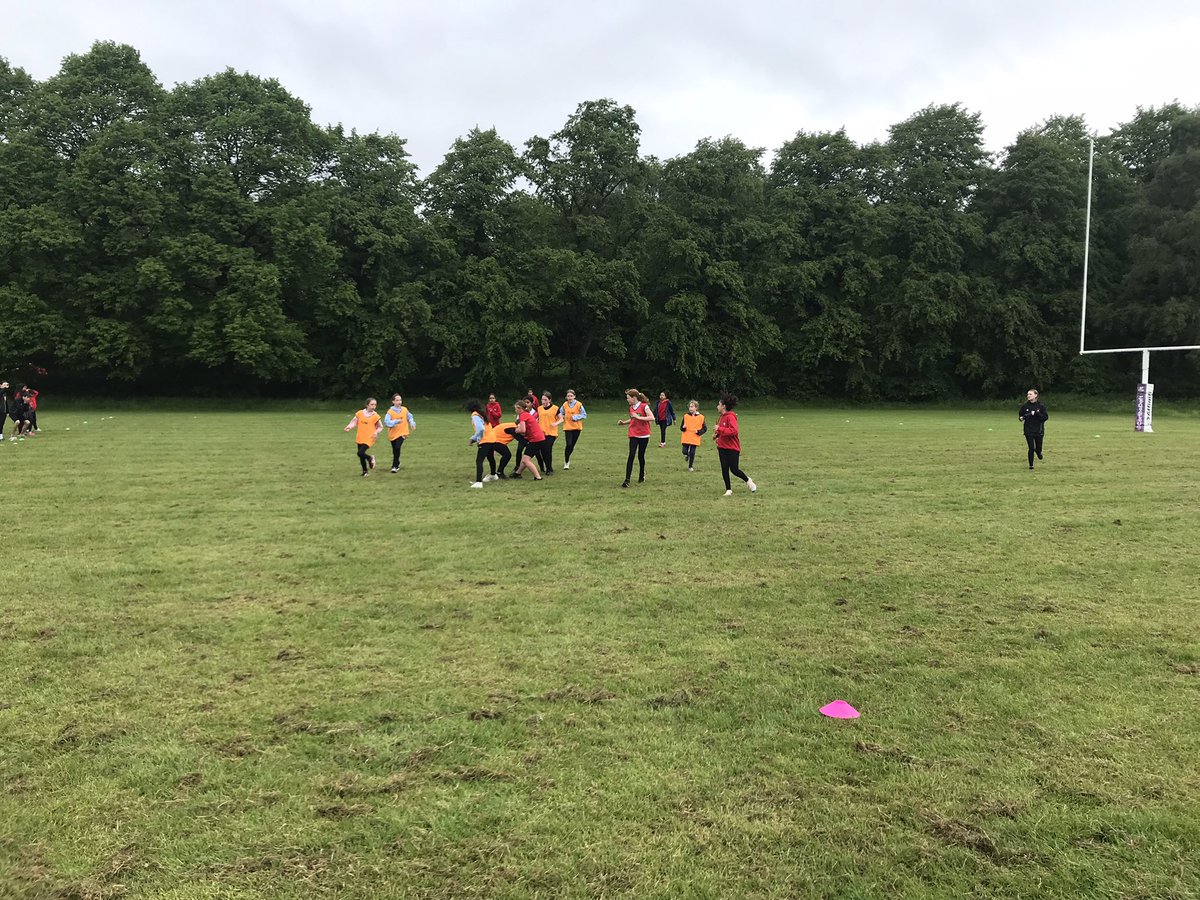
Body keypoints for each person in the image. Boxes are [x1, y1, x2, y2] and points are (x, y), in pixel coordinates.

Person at [713, 392, 756, 496]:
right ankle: (728, 490)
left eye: (719, 404)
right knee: (724, 468)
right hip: (722, 447)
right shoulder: (721, 417)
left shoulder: (731, 417)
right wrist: (716, 435)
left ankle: (748, 480)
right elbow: (722, 431)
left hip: (732, 447)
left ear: (723, 406)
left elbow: (734, 431)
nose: (717, 406)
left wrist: (719, 429)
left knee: (734, 470)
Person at [617, 388, 654, 488]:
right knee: (631, 455)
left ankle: (641, 475)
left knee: (641, 456)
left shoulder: (644, 406)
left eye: (628, 398)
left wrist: (639, 417)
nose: (627, 400)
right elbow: (633, 419)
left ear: (634, 398)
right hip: (633, 434)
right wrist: (624, 423)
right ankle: (627, 480)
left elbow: (652, 418)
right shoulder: (631, 408)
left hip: (644, 434)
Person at [343, 398, 382, 476]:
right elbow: (354, 422)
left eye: (375, 405)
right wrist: (349, 427)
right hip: (360, 437)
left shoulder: (375, 416)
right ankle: (365, 472)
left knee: (360, 453)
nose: (374, 406)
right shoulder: (360, 413)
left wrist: (376, 432)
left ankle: (370, 458)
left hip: (369, 438)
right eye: (372, 404)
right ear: (367, 405)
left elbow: (380, 427)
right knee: (361, 455)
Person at [466, 400, 497, 488]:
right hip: (492, 439)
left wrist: (476, 439)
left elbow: (481, 429)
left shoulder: (475, 415)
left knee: (479, 460)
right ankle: (493, 475)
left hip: (485, 440)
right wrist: (474, 439)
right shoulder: (482, 414)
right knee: (491, 458)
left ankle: (479, 482)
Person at [512, 399, 544, 481]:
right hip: (539, 438)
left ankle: (538, 477)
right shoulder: (527, 414)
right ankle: (517, 473)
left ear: (519, 408)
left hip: (535, 439)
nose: (515, 410)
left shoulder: (522, 415)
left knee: (525, 460)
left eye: (516, 408)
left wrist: (516, 430)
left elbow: (523, 430)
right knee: (526, 458)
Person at [384, 394, 415, 473]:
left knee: (397, 447)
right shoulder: (390, 412)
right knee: (395, 450)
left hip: (403, 433)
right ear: (393, 402)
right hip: (393, 434)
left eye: (400, 400)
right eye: (397, 400)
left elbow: (410, 417)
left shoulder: (404, 409)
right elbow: (386, 422)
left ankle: (395, 466)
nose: (399, 402)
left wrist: (412, 423)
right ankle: (397, 462)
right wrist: (395, 421)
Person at [1019, 389, 1049, 471]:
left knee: (1038, 448)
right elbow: (1021, 415)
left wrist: (1036, 413)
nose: (1028, 396)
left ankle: (1039, 452)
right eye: (1028, 394)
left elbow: (1045, 417)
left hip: (1039, 430)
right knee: (1031, 448)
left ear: (1036, 395)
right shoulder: (1025, 406)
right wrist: (1021, 418)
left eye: (1030, 394)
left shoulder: (1041, 406)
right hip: (1028, 430)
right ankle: (1031, 466)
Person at [537, 392, 563, 475]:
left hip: (551, 433)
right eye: (542, 399)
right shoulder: (539, 408)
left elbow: (561, 419)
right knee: (543, 451)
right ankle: (548, 467)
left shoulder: (555, 408)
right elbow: (538, 419)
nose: (543, 401)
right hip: (541, 433)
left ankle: (549, 469)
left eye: (545, 400)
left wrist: (556, 423)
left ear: (549, 400)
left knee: (547, 449)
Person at [560, 388, 587, 469]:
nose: (570, 397)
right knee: (568, 444)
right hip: (567, 427)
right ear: (566, 397)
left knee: (572, 445)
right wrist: (561, 417)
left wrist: (575, 417)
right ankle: (566, 461)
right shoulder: (564, 405)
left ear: (574, 396)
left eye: (571, 396)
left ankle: (567, 457)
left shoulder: (579, 405)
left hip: (577, 428)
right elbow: (560, 413)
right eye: (568, 396)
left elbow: (584, 415)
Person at [679, 399, 706, 471]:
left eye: (692, 406)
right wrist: (683, 428)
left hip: (695, 437)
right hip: (686, 437)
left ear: (696, 408)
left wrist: (699, 432)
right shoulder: (686, 416)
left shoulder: (701, 417)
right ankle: (687, 455)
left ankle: (690, 466)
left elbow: (705, 429)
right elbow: (681, 428)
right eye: (689, 406)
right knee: (684, 451)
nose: (690, 408)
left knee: (692, 452)